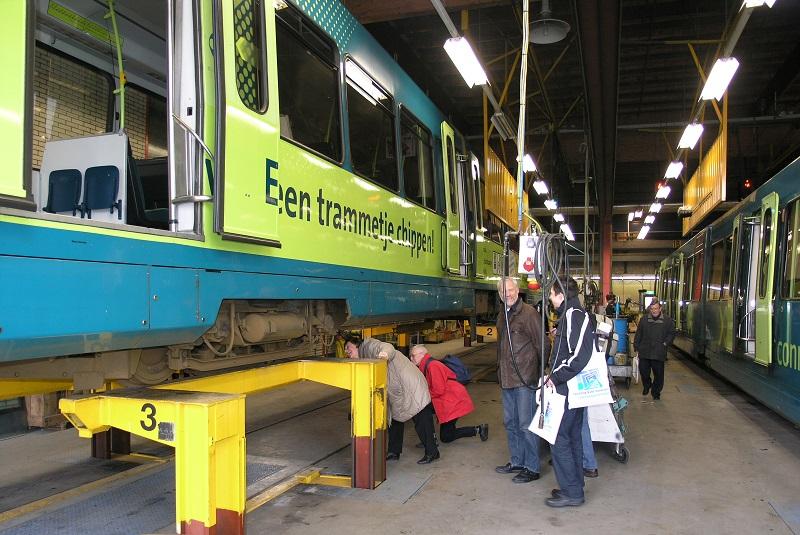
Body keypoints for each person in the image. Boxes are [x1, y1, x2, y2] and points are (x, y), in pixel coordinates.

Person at [344, 336, 439, 464]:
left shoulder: (368, 346)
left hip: (410, 386)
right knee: (394, 420)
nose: (346, 351)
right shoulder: (364, 356)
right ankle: (394, 451)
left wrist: (384, 355)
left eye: (348, 347)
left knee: (421, 419)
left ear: (357, 345)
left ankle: (432, 453)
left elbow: (387, 348)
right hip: (397, 390)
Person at [495, 277, 551, 484]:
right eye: (503, 292)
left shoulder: (529, 314)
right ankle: (517, 461)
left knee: (526, 424)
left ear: (517, 290)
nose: (507, 294)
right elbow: (500, 347)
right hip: (506, 379)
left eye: (510, 290)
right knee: (511, 423)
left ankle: (532, 467)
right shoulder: (502, 315)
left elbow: (543, 345)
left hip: (524, 379)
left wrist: (538, 374)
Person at [543, 277, 593, 507]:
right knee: (572, 438)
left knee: (559, 439)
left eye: (552, 294)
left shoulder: (574, 315)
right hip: (570, 392)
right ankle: (574, 487)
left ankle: (572, 493)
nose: (550, 299)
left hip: (568, 392)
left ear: (561, 294)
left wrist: (555, 376)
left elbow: (579, 356)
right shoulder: (570, 315)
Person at [409, 345, 489, 444]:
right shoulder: (426, 365)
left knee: (446, 435)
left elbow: (438, 390)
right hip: (448, 400)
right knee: (424, 412)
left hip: (452, 401)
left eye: (413, 355)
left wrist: (423, 397)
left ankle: (479, 429)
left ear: (422, 354)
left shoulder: (433, 366)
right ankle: (430, 439)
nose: (411, 358)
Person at [633, 299, 676, 401]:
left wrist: (666, 343)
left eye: (656, 308)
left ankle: (656, 392)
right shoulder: (644, 319)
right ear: (650, 309)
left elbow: (672, 333)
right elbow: (639, 333)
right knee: (643, 371)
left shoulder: (667, 321)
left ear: (660, 308)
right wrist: (636, 346)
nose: (654, 311)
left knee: (659, 375)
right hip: (645, 350)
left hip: (658, 352)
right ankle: (647, 385)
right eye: (652, 309)